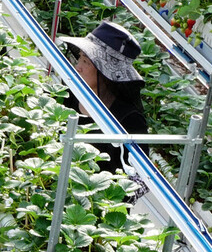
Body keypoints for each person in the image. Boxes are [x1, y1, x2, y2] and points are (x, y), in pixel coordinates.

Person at [60, 20, 148, 174]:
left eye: (86, 61)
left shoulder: (129, 120)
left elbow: (139, 178)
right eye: (80, 58)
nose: (77, 67)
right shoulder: (67, 94)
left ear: (105, 73)